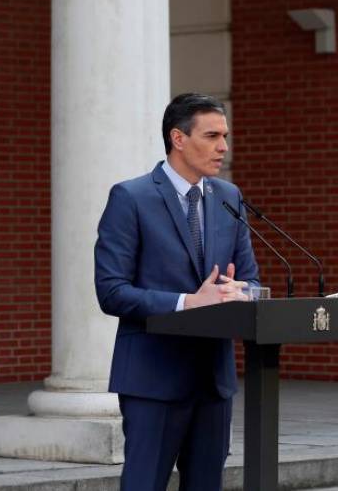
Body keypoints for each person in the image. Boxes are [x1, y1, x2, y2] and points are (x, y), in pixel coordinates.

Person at [94, 93, 260, 491]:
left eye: (225, 136)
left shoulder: (229, 198)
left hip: (213, 381)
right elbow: (111, 291)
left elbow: (251, 279)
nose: (223, 147)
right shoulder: (131, 198)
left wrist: (242, 292)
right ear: (178, 138)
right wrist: (189, 302)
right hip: (153, 380)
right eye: (212, 135)